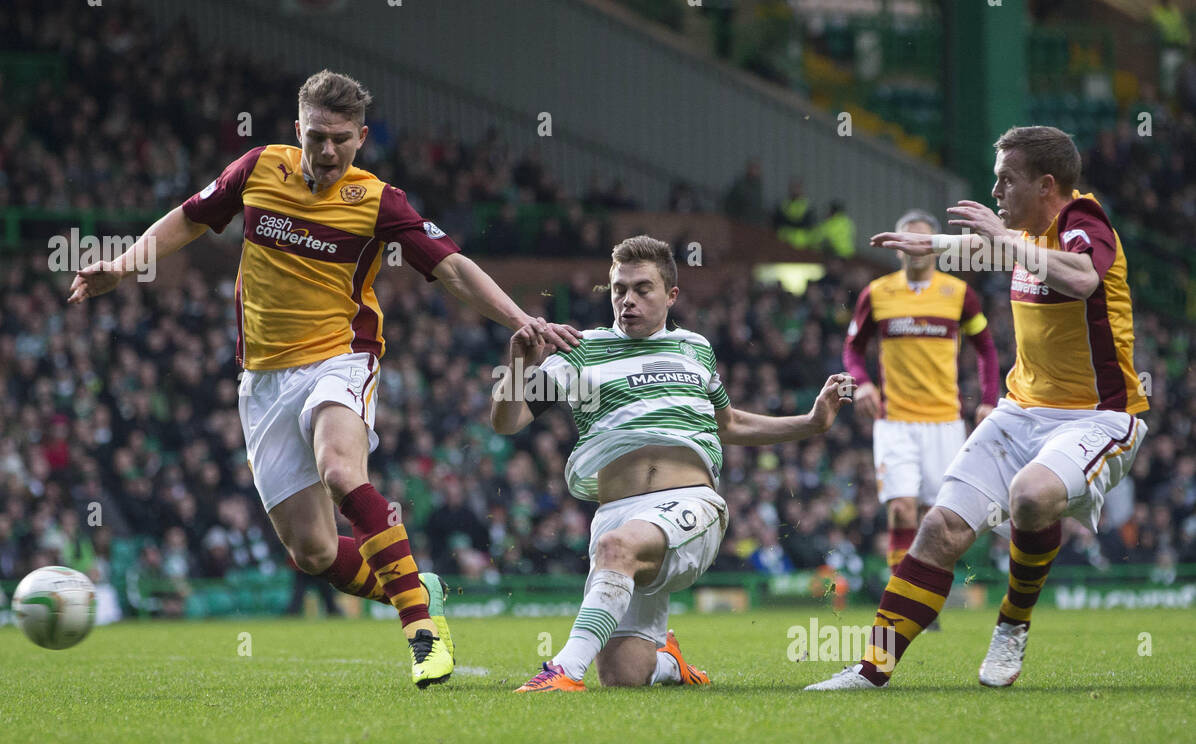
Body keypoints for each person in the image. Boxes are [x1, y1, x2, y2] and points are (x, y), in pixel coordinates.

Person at [69, 69, 579, 687]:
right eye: (316, 137)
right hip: (262, 378)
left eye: (341, 138)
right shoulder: (258, 169)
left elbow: (452, 268)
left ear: (362, 137)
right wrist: (124, 267)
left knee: (341, 470)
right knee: (312, 552)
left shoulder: (379, 201)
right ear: (297, 131)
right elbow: (190, 217)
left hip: (341, 356)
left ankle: (423, 634)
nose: (328, 151)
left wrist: (521, 318)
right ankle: (421, 587)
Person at [809, 126, 1149, 690]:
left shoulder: (1085, 223)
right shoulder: (1024, 231)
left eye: (1005, 180)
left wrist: (1003, 239)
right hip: (1023, 410)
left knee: (1031, 496)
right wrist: (932, 247)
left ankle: (1011, 624)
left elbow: (1085, 280)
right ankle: (871, 671)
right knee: (939, 529)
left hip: (1099, 415)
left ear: (1046, 185)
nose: (996, 191)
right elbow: (986, 247)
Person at [491, 235, 853, 691]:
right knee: (624, 676)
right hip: (615, 516)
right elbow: (507, 422)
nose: (628, 300)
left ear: (671, 295)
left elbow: (731, 423)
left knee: (617, 549)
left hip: (690, 505)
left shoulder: (694, 348)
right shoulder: (579, 351)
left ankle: (562, 669)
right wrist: (519, 366)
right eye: (619, 289)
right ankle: (670, 665)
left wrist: (812, 422)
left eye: (643, 289)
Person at [843, 208, 1000, 629]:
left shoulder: (959, 294)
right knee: (901, 511)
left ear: (937, 247)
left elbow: (985, 348)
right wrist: (862, 383)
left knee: (938, 521)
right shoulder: (876, 294)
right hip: (894, 421)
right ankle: (904, 604)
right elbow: (853, 351)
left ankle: (925, 601)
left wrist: (989, 399)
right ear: (895, 248)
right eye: (907, 240)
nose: (915, 247)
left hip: (946, 422)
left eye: (923, 240)